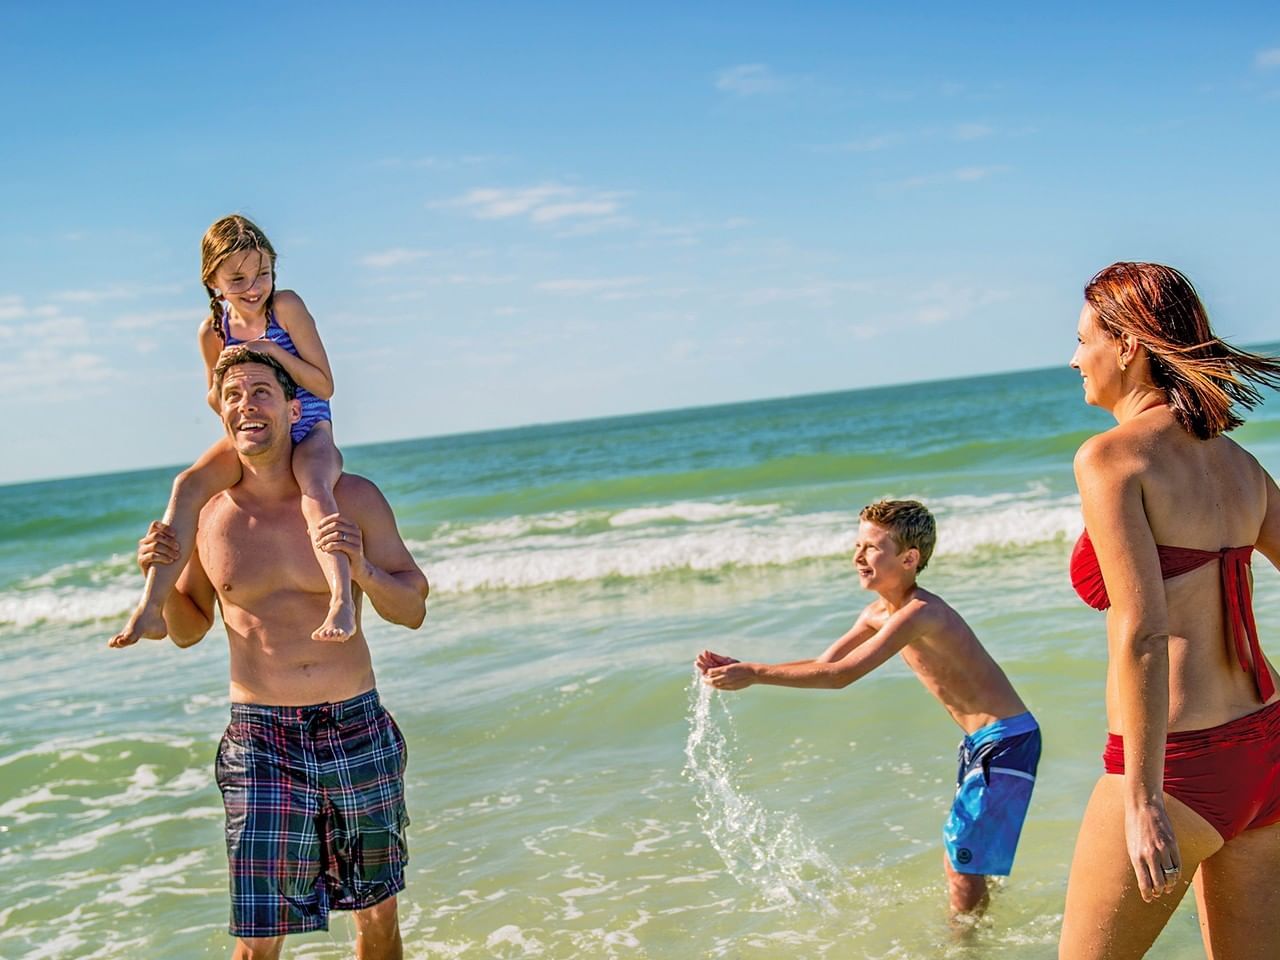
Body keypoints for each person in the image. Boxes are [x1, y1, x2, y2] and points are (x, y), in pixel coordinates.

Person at [117, 348, 429, 960]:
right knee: (258, 939)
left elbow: (412, 609)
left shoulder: (352, 498)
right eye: (233, 396)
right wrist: (151, 571)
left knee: (378, 919)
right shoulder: (209, 518)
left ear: (293, 409)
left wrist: (360, 565)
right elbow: (186, 628)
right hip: (261, 737)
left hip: (355, 724)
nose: (246, 405)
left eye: (260, 392)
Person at [1058, 262, 1280, 959]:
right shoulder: (1238, 462)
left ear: (1128, 346)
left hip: (1175, 765)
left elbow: (1144, 633)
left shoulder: (1110, 460)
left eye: (1082, 339)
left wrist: (1142, 797)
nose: (1073, 359)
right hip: (1267, 746)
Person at [696, 499, 1040, 916]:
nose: (858, 556)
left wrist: (754, 673)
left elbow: (842, 676)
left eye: (872, 547)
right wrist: (745, 667)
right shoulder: (877, 613)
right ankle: (986, 929)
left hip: (1006, 740)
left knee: (962, 862)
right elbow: (826, 664)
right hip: (980, 741)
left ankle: (966, 947)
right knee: (964, 853)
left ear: (909, 558)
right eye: (857, 544)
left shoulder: (922, 613)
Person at [111, 213, 356, 647]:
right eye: (238, 279)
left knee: (315, 486)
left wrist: (267, 352)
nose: (254, 287)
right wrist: (233, 390)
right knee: (186, 484)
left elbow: (324, 384)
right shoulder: (213, 331)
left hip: (310, 423)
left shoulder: (287, 307)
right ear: (213, 283)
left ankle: (341, 600)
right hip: (257, 431)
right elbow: (213, 397)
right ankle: (150, 607)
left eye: (263, 273)